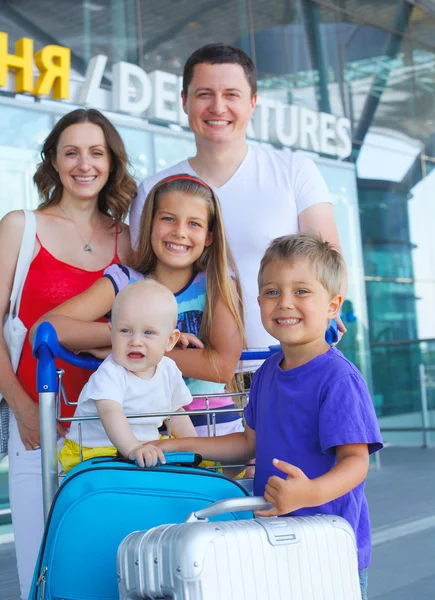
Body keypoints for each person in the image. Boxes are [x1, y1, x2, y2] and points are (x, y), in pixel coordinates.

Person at [151, 233, 383, 600]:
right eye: (272, 292)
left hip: (330, 550)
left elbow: (355, 462)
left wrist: (309, 493)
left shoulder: (339, 379)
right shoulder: (266, 373)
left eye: (302, 292)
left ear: (333, 306)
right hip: (273, 543)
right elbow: (248, 444)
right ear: (259, 301)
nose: (284, 303)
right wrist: (179, 443)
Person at [130, 43, 347, 353]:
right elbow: (139, 284)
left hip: (284, 369)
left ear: (253, 103)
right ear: (184, 102)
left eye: (231, 95)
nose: (218, 107)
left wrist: (325, 313)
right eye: (204, 94)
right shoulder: (154, 190)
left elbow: (332, 264)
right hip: (187, 383)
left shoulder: (295, 170)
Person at [0, 108, 135, 600]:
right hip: (40, 419)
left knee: (109, 560)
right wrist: (21, 407)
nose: (85, 164)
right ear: (53, 162)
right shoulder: (20, 226)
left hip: (117, 420)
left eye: (96, 152)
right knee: (42, 562)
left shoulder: (130, 238)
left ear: (111, 162)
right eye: (71, 152)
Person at [33, 174, 245, 442]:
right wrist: (118, 337)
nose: (179, 231)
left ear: (209, 236)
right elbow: (45, 329)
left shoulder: (218, 282)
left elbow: (222, 367)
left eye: (194, 223)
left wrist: (129, 347)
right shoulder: (124, 281)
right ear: (149, 224)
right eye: (168, 218)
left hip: (211, 427)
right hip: (135, 432)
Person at [58, 280, 196, 472]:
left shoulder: (168, 369)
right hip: (95, 451)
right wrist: (133, 448)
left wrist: (197, 445)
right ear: (111, 333)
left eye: (148, 332)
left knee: (190, 458)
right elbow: (110, 412)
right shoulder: (111, 372)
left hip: (143, 446)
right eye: (125, 331)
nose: (136, 341)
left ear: (170, 340)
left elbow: (175, 414)